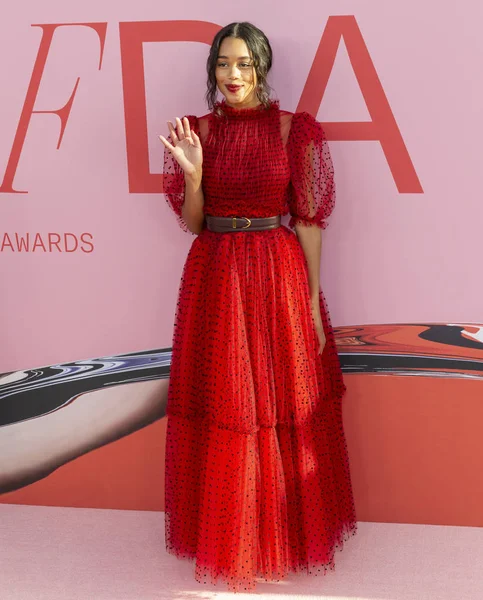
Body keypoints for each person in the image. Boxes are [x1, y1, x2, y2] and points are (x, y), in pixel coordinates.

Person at [159, 21, 357, 592]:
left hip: (278, 274)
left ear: (262, 67)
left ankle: (282, 533)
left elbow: (312, 223)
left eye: (244, 63)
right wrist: (194, 175)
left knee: (279, 404)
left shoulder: (296, 130)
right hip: (216, 277)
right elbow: (195, 224)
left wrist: (315, 308)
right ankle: (230, 536)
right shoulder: (195, 131)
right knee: (229, 405)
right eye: (223, 63)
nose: (233, 75)